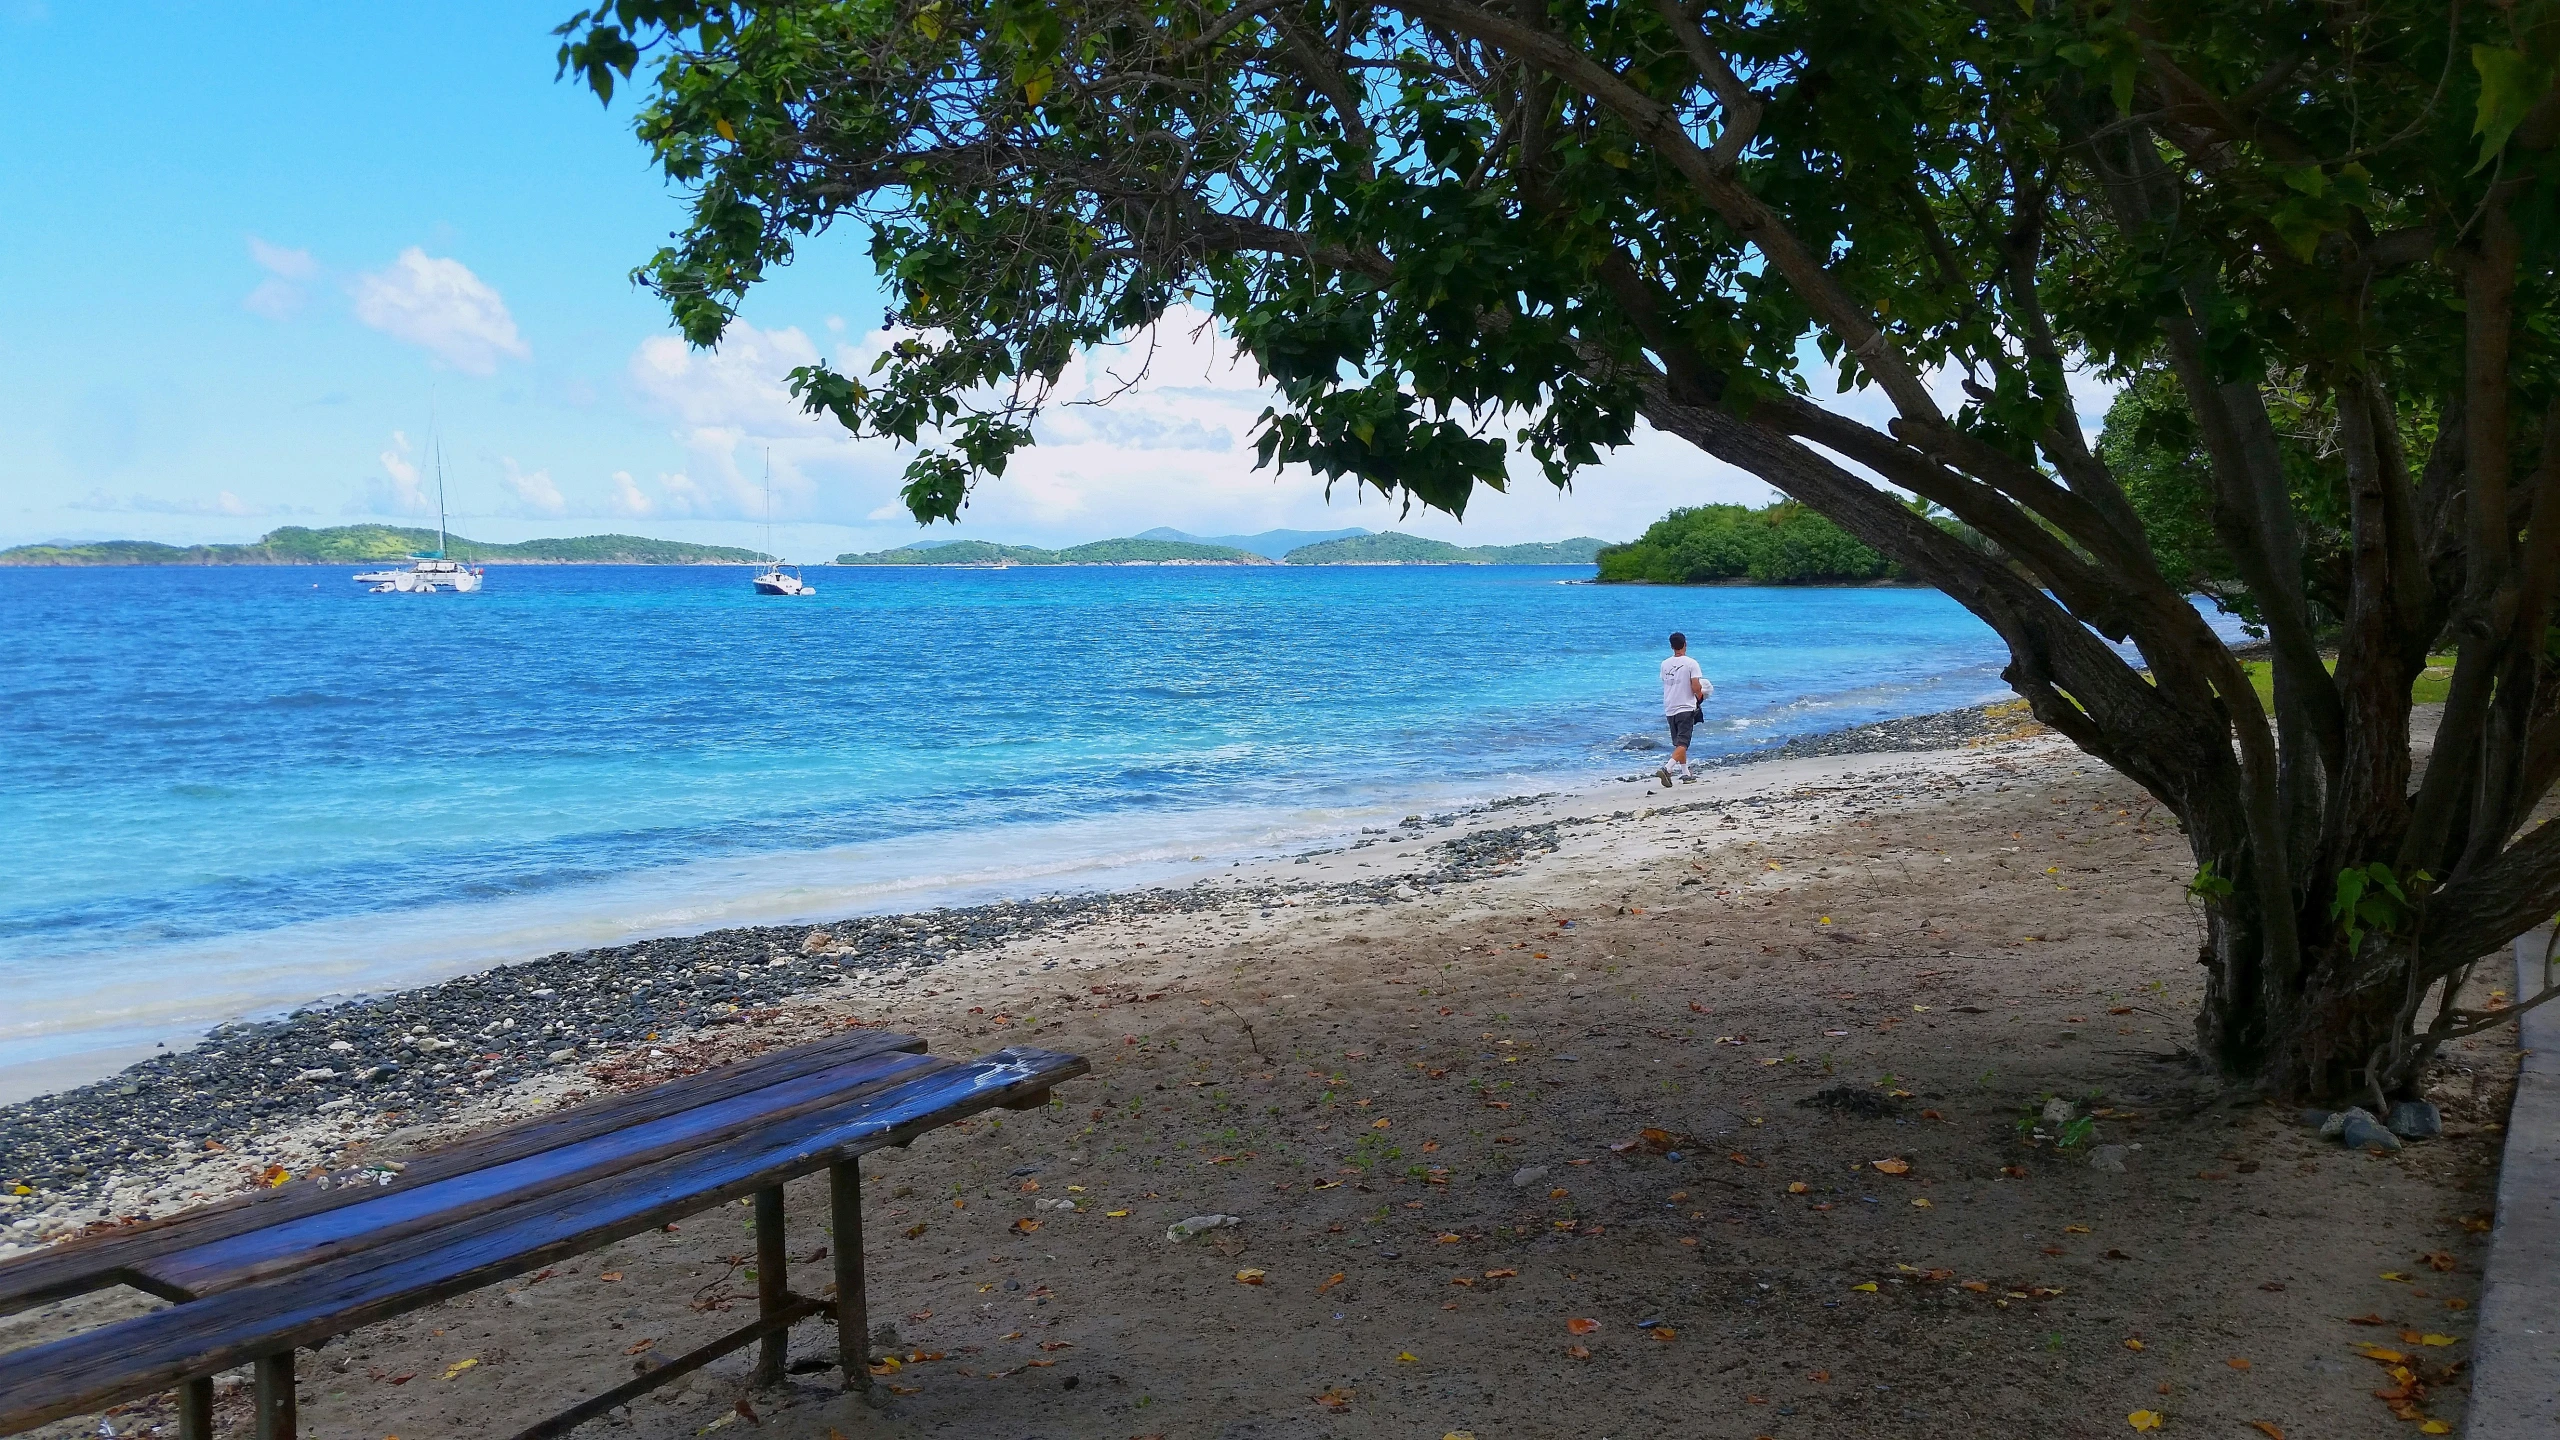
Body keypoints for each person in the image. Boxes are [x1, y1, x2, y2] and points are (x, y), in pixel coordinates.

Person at [1658, 631, 1711, 786]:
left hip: (1669, 706)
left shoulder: (1664, 664)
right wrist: (1701, 696)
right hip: (1685, 706)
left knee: (1678, 742)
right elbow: (1695, 686)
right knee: (1683, 743)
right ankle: (1667, 769)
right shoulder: (1691, 663)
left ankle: (1685, 772)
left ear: (1671, 646)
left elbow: (1667, 682)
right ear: (1685, 644)